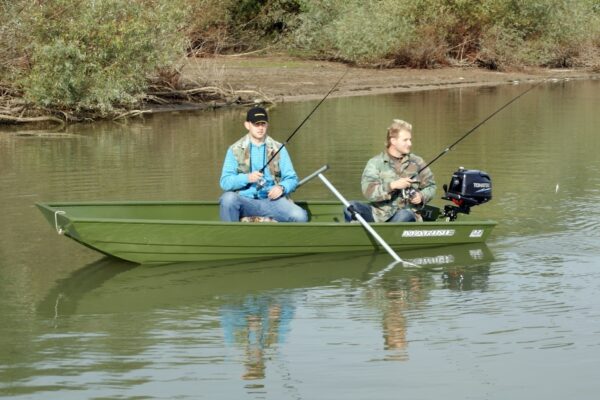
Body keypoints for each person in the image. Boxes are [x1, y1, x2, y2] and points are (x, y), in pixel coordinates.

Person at [219, 106, 308, 222]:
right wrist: (247, 178)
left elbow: (292, 179)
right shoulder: (234, 150)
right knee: (227, 199)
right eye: (256, 124)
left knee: (300, 216)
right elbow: (225, 182)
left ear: (267, 125)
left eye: (263, 124)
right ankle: (232, 233)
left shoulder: (279, 148)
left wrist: (282, 187)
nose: (260, 128)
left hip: (272, 201)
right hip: (244, 200)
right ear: (247, 125)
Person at [344, 119, 436, 223]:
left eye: (410, 140)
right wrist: (392, 186)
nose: (410, 143)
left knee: (405, 214)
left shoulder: (418, 162)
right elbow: (369, 193)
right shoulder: (375, 163)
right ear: (393, 141)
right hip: (378, 215)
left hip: (407, 215)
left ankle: (388, 231)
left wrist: (421, 196)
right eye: (405, 140)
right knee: (350, 206)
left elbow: (431, 186)